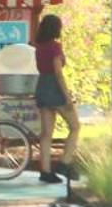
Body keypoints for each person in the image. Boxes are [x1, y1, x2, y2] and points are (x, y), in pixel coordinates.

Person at [32, 13, 79, 183]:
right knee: (75, 126)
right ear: (56, 29)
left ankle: (45, 172)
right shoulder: (55, 47)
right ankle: (64, 163)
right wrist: (67, 97)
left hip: (42, 86)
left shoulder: (39, 47)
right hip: (54, 88)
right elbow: (58, 73)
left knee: (46, 134)